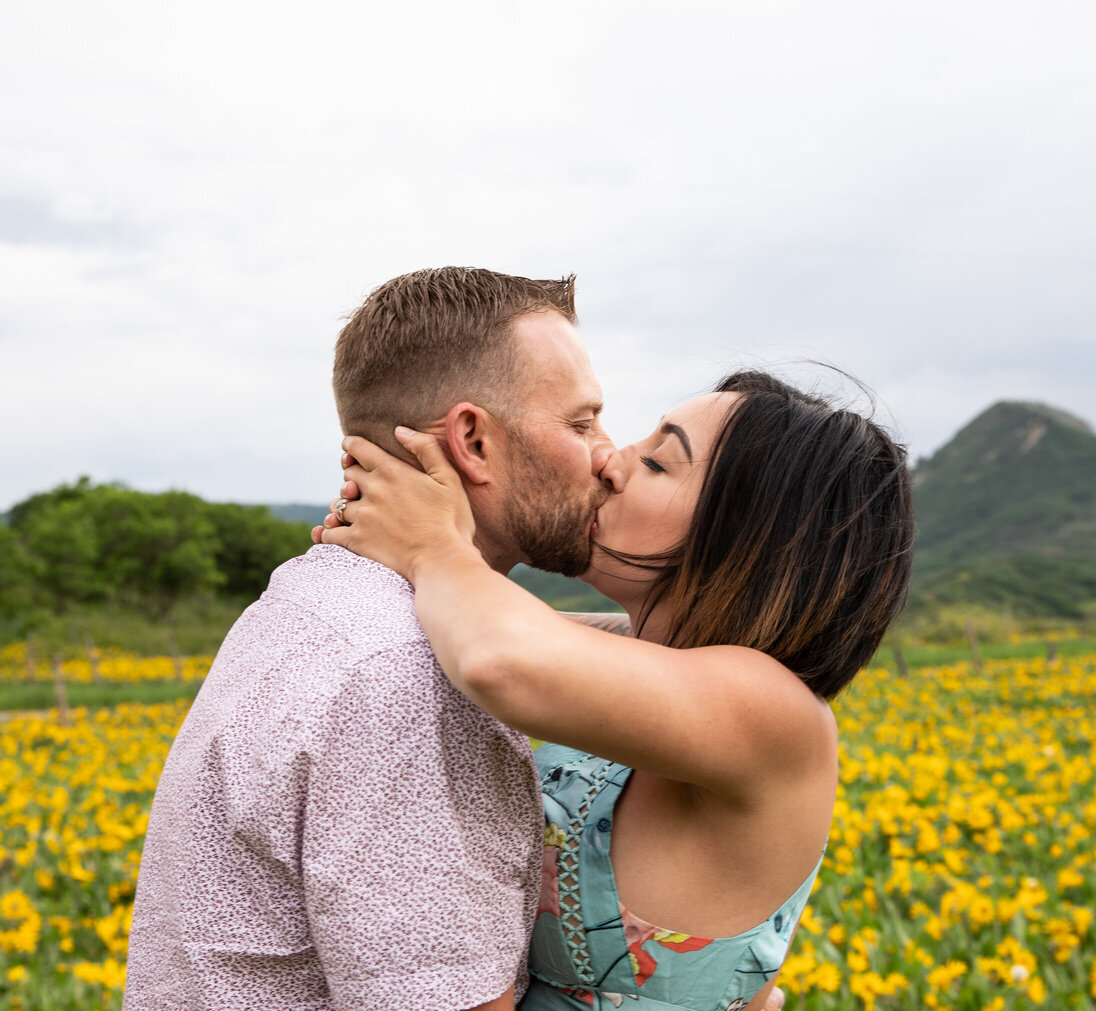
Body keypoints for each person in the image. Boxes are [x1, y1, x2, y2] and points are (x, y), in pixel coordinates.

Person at [317, 369, 915, 1010]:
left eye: (657, 462)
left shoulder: (776, 712)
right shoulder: (650, 655)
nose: (609, 460)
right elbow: (479, 625)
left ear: (750, 537)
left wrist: (432, 545)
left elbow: (499, 655)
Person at [124, 267, 616, 1011]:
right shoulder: (411, 674)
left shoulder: (316, 603)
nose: (608, 455)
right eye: (581, 424)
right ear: (473, 440)